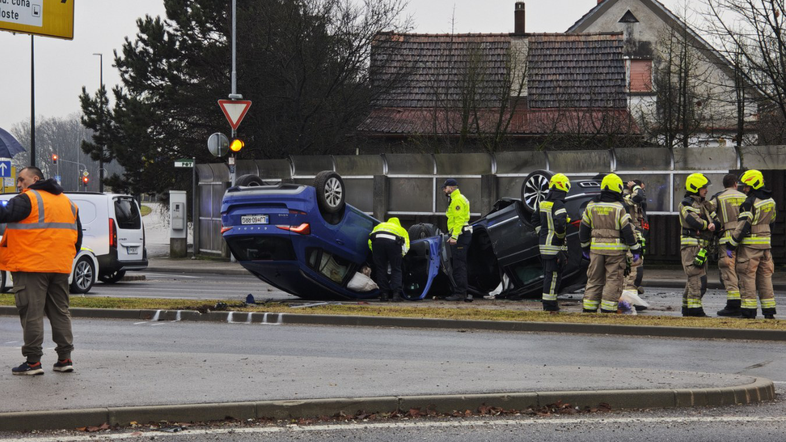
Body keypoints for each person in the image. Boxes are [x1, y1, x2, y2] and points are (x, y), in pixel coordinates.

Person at [3, 167, 82, 375]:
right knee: (61, 313)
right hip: (59, 267)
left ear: (34, 179)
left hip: (31, 267)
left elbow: (3, 214)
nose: (18, 184)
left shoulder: (27, 199)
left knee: (32, 314)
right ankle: (65, 359)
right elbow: (77, 237)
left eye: (21, 180)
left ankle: (33, 363)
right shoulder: (68, 203)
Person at [580, 173, 641, 313]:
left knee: (594, 279)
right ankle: (608, 310)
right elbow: (628, 231)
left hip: (595, 251)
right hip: (616, 252)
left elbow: (583, 228)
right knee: (613, 280)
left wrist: (584, 247)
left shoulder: (591, 205)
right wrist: (635, 249)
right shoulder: (619, 207)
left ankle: (589, 308)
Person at [726, 170, 777, 319]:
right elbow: (772, 223)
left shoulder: (749, 203)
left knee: (747, 278)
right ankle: (769, 311)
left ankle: (749, 312)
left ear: (754, 185)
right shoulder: (771, 201)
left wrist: (731, 244)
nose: (744, 189)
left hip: (749, 249)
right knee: (765, 278)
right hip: (766, 247)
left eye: (747, 186)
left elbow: (743, 226)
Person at [678, 173, 719, 317]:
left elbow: (717, 221)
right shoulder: (686, 204)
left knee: (694, 278)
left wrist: (714, 225)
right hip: (691, 246)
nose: (706, 190)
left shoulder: (704, 205)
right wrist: (709, 225)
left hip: (702, 247)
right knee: (697, 278)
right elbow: (694, 221)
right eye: (703, 187)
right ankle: (695, 310)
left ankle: (687, 308)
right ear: (695, 188)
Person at [531, 173, 570, 312]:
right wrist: (560, 237)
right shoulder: (559, 204)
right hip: (555, 247)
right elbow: (560, 224)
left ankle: (550, 304)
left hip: (544, 246)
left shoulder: (543, 203)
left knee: (549, 275)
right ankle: (550, 306)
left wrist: (541, 233)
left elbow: (534, 219)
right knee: (553, 277)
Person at [711, 173, 747, 317]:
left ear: (724, 185)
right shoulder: (745, 197)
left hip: (726, 240)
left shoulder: (719, 197)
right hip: (744, 240)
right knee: (743, 270)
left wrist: (716, 224)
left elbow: (707, 210)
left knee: (728, 271)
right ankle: (746, 302)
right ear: (736, 184)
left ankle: (733, 305)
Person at [442, 178, 473, 302]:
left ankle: (460, 293)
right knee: (460, 263)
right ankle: (461, 292)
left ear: (451, 188)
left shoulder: (457, 200)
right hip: (461, 233)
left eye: (445, 188)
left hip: (460, 235)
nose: (444, 190)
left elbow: (459, 220)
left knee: (459, 265)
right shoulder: (458, 198)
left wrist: (455, 236)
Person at [368, 217, 410, 302]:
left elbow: (370, 241)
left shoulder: (380, 225)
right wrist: (400, 256)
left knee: (380, 269)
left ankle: (384, 295)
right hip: (393, 243)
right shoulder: (401, 229)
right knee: (396, 269)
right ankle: (396, 295)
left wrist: (376, 254)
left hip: (377, 242)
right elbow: (407, 245)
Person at [623, 180, 647, 295]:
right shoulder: (626, 197)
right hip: (630, 238)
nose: (643, 192)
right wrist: (635, 186)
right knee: (633, 270)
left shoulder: (638, 202)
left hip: (638, 237)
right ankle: (628, 300)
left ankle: (632, 296)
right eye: (641, 188)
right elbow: (638, 196)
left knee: (637, 270)